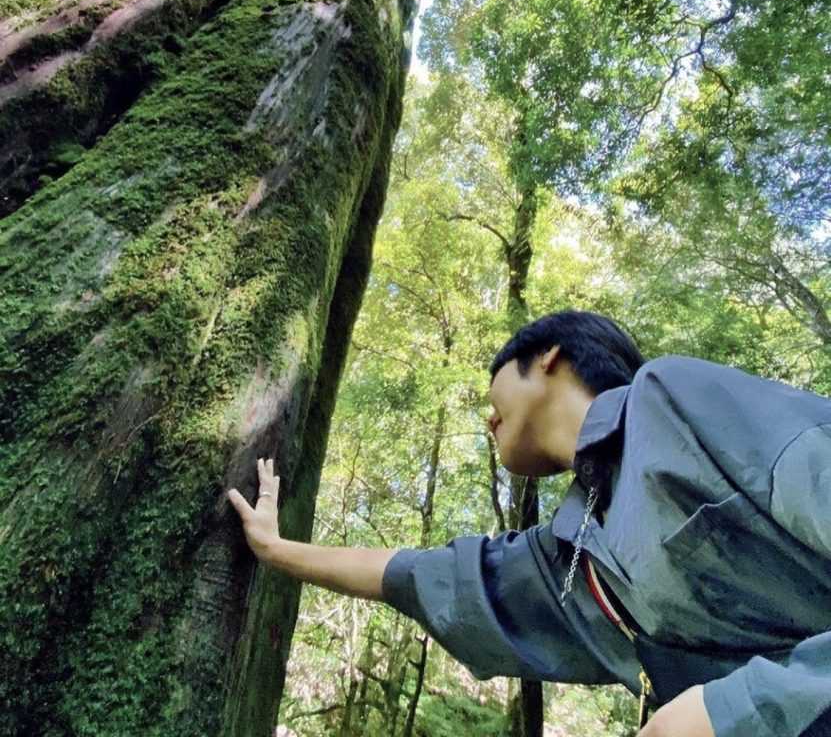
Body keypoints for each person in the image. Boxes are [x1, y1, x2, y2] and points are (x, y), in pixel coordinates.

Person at [227, 310, 831, 737]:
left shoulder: (672, 398)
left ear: (548, 357)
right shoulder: (566, 559)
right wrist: (280, 552)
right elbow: (426, 577)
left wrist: (742, 710)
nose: (487, 419)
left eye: (495, 389)